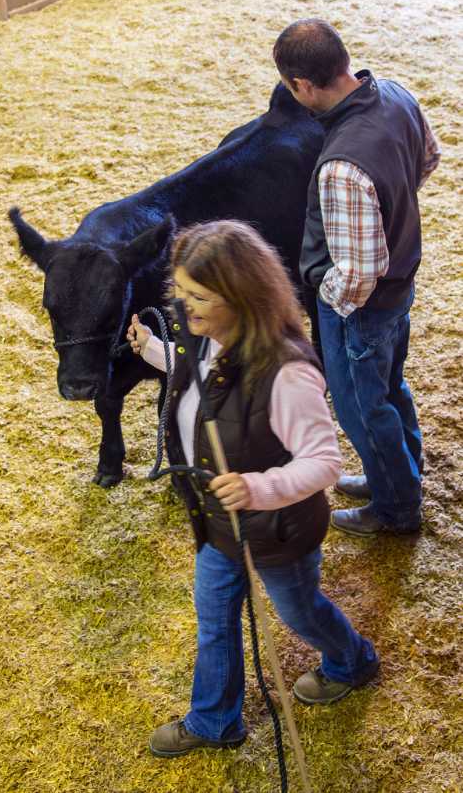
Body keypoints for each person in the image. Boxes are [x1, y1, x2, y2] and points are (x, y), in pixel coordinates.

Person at [126, 220, 379, 758]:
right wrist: (153, 350)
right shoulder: (206, 338)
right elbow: (197, 377)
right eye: (179, 293)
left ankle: (352, 661)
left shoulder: (286, 373)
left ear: (240, 297)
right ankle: (216, 721)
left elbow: (324, 462)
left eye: (198, 297)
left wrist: (257, 487)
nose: (184, 307)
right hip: (221, 524)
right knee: (215, 618)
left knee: (299, 612)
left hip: (277, 528)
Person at [273, 19, 441, 537]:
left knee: (362, 407)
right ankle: (396, 474)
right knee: (391, 386)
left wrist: (323, 295)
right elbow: (429, 158)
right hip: (402, 282)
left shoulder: (342, 166)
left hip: (361, 309)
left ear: (301, 85)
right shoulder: (395, 94)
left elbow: (358, 275)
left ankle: (395, 509)